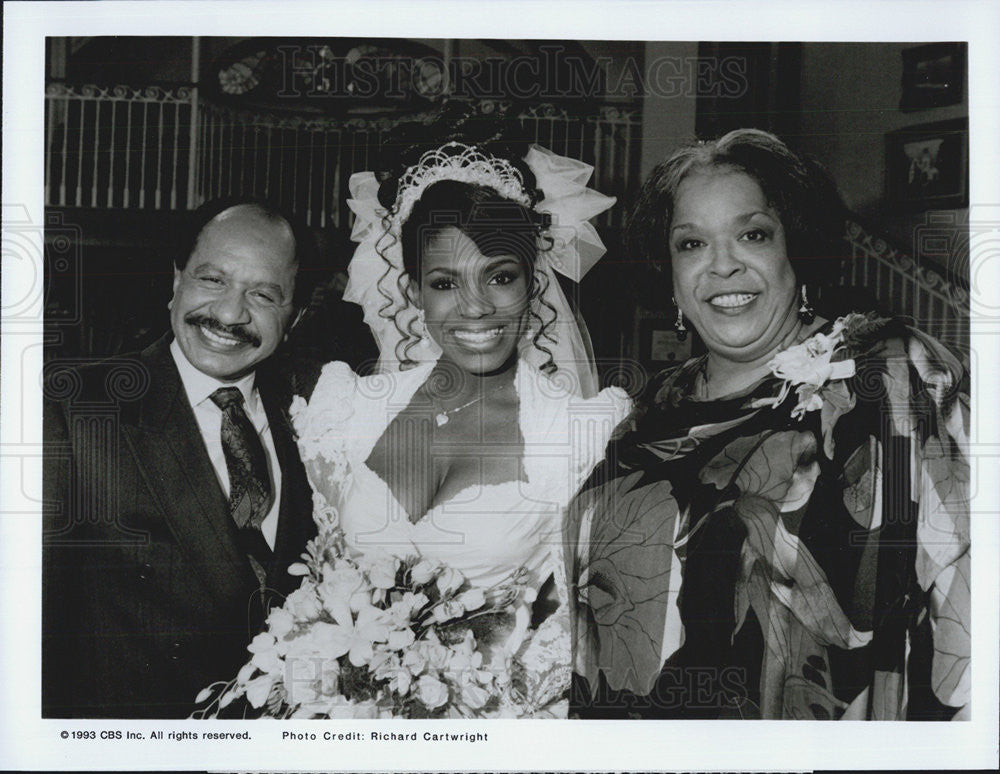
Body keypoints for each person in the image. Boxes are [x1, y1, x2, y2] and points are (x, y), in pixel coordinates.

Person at [569, 129, 969, 720]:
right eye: (691, 244)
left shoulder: (882, 375)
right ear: (671, 274)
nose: (723, 265)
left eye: (752, 234)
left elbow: (967, 585)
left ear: (796, 250)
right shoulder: (644, 418)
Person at [290, 141, 630, 716]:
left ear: (533, 282)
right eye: (445, 282)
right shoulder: (350, 408)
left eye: (499, 277)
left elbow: (572, 637)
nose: (474, 308)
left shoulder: (576, 433)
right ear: (415, 291)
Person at [43, 198, 319, 718]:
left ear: (295, 314)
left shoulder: (317, 418)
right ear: (177, 280)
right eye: (212, 280)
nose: (229, 314)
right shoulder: (73, 407)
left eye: (262, 294)